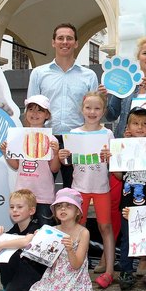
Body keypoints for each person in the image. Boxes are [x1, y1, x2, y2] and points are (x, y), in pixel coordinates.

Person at [27, 23, 102, 188]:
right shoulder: (39, 73)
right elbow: (31, 111)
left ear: (75, 43)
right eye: (60, 38)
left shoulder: (89, 76)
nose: (65, 42)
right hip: (45, 137)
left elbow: (94, 111)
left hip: (77, 139)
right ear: (53, 42)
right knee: (40, 189)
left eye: (69, 38)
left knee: (74, 191)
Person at [57, 91, 115, 289]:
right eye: (88, 108)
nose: (92, 112)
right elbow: (66, 162)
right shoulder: (74, 133)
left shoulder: (108, 133)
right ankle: (75, 268)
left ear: (103, 111)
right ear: (82, 109)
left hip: (100, 188)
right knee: (75, 228)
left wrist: (110, 156)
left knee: (105, 227)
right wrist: (63, 155)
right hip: (78, 190)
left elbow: (113, 162)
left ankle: (109, 271)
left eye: (97, 108)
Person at [112, 107, 146, 291]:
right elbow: (119, 176)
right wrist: (111, 159)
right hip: (127, 203)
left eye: (144, 124)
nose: (140, 127)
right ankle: (126, 272)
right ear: (128, 126)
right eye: (135, 123)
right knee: (127, 239)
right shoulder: (123, 146)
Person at [24, 188, 93, 291]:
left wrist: (69, 249)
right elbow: (49, 261)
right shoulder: (52, 230)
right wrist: (39, 242)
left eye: (68, 206)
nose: (63, 209)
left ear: (78, 211)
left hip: (73, 278)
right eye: (59, 206)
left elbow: (76, 265)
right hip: (54, 276)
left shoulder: (83, 232)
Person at [0, 95, 61, 226]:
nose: (34, 113)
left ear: (47, 115)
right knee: (23, 232)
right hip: (22, 195)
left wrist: (56, 154)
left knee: (43, 234)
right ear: (26, 112)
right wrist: (6, 153)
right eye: (31, 109)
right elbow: (16, 165)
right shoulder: (18, 137)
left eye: (40, 110)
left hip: (43, 196)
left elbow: (54, 169)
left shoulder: (52, 140)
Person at [0, 189, 47, 291]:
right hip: (21, 270)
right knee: (5, 252)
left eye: (19, 207)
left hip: (34, 271)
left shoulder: (35, 226)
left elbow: (26, 241)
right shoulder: (15, 228)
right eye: (12, 207)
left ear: (31, 210)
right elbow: (6, 239)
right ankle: (7, 285)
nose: (15, 210)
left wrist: (2, 244)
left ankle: (34, 288)